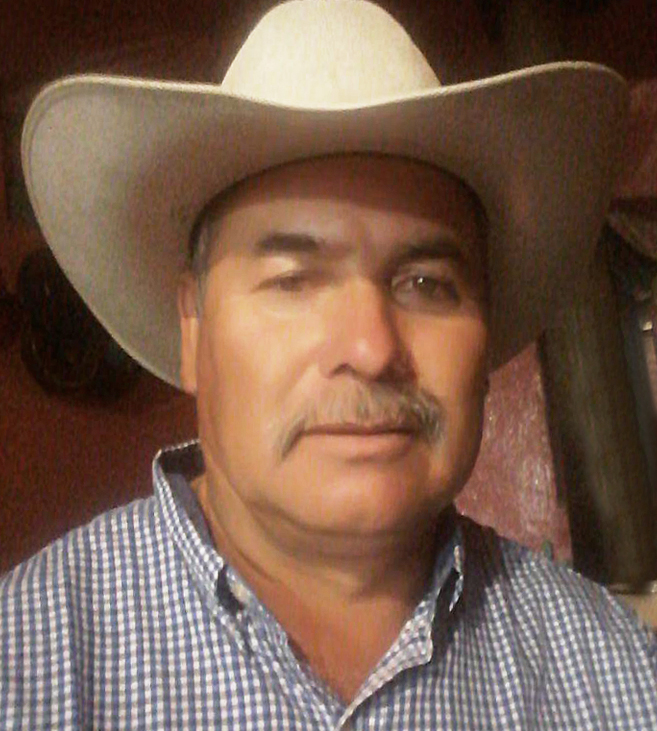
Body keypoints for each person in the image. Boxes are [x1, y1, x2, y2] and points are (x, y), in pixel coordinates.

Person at [2, 0, 656, 728]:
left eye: (426, 284)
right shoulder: (28, 660)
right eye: (294, 281)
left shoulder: (617, 673)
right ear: (194, 327)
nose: (371, 349)